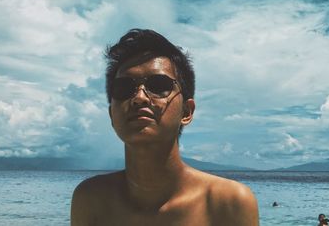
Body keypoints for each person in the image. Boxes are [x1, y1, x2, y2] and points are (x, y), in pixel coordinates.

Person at [71, 29, 259, 226]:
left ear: (186, 112)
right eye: (124, 88)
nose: (139, 98)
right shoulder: (92, 200)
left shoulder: (227, 203)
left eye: (159, 85)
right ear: (111, 115)